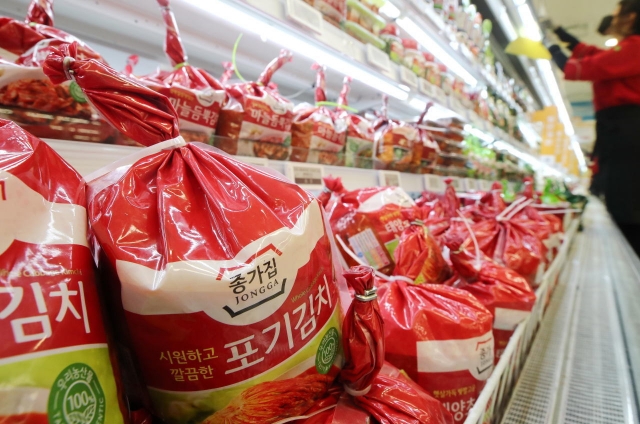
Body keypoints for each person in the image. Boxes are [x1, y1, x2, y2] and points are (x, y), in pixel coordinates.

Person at [549, 0, 640, 256]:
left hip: (627, 131)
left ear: (631, 17)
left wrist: (552, 49)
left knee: (625, 204)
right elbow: (595, 55)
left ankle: (632, 264)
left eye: (617, 13)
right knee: (623, 197)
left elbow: (589, 66)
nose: (613, 18)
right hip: (620, 129)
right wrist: (562, 35)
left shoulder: (635, 47)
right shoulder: (629, 48)